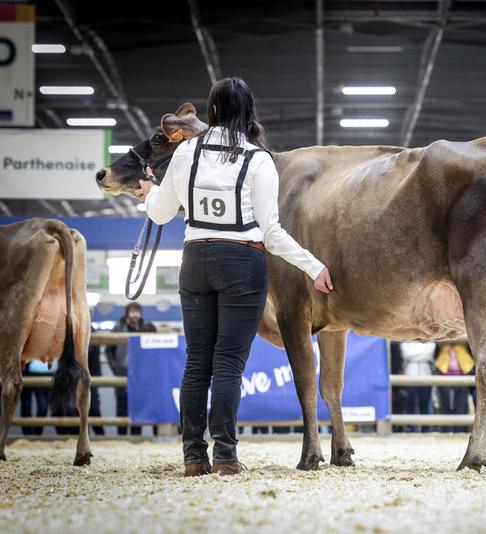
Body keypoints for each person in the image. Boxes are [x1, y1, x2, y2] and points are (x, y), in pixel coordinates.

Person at [135, 76, 333, 477]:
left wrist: (149, 193)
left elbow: (159, 212)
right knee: (228, 363)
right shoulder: (258, 160)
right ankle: (225, 455)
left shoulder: (185, 152)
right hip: (242, 262)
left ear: (211, 113)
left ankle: (193, 457)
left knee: (197, 363)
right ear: (249, 113)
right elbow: (272, 232)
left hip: (194, 260)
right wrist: (315, 266)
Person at [105, 301, 157, 436]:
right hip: (122, 373)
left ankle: (136, 438)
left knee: (138, 406)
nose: (135, 314)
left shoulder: (146, 327)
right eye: (132, 311)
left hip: (141, 375)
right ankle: (121, 438)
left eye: (137, 311)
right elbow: (108, 351)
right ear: (127, 312)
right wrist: (115, 368)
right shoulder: (118, 328)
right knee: (121, 407)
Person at [434, 342, 474, 433]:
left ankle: (460, 430)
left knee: (461, 405)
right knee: (444, 404)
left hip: (463, 371)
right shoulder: (443, 345)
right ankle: (444, 430)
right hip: (444, 372)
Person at [399, 341, 437, 432]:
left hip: (426, 374)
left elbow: (429, 354)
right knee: (411, 403)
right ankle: (412, 428)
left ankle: (426, 429)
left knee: (424, 404)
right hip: (410, 374)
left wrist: (414, 355)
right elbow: (405, 354)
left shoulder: (428, 338)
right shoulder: (407, 337)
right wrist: (422, 354)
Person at [20, 359, 54, 435]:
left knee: (43, 406)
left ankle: (37, 434)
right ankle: (27, 435)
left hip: (40, 370)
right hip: (24, 367)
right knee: (26, 405)